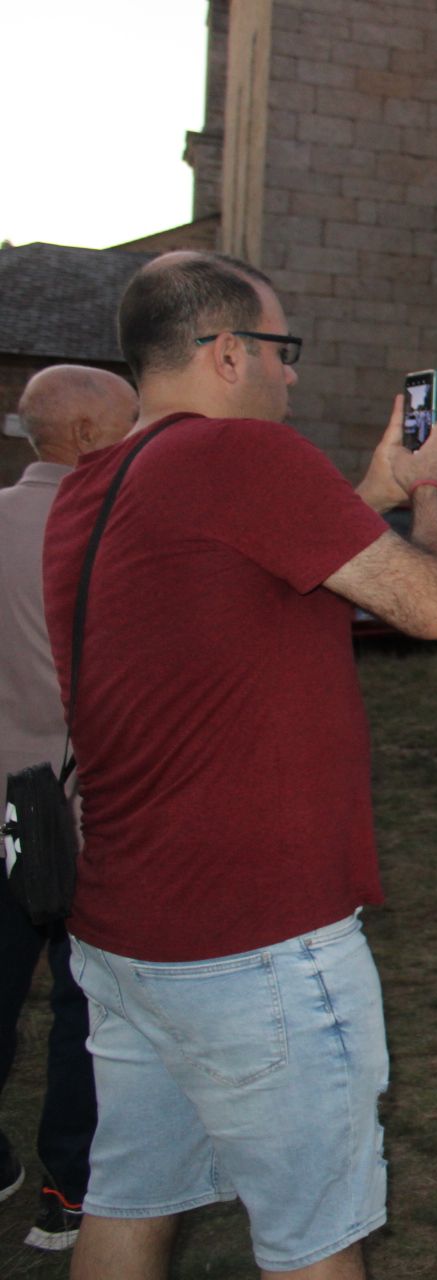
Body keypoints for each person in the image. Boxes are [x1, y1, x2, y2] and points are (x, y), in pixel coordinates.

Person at [39, 250, 437, 1278]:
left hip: (131, 931)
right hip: (253, 941)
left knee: (130, 1200)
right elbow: (433, 606)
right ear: (229, 352)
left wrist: (372, 485)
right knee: (316, 1240)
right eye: (285, 350)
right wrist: (434, 498)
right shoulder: (242, 460)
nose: (294, 375)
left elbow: (268, 580)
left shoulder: (96, 487)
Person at [0, 366, 137, 1251]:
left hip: (1, 812)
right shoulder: (120, 533)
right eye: (130, 427)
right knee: (87, 1017)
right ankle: (70, 1188)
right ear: (88, 435)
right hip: (91, 816)